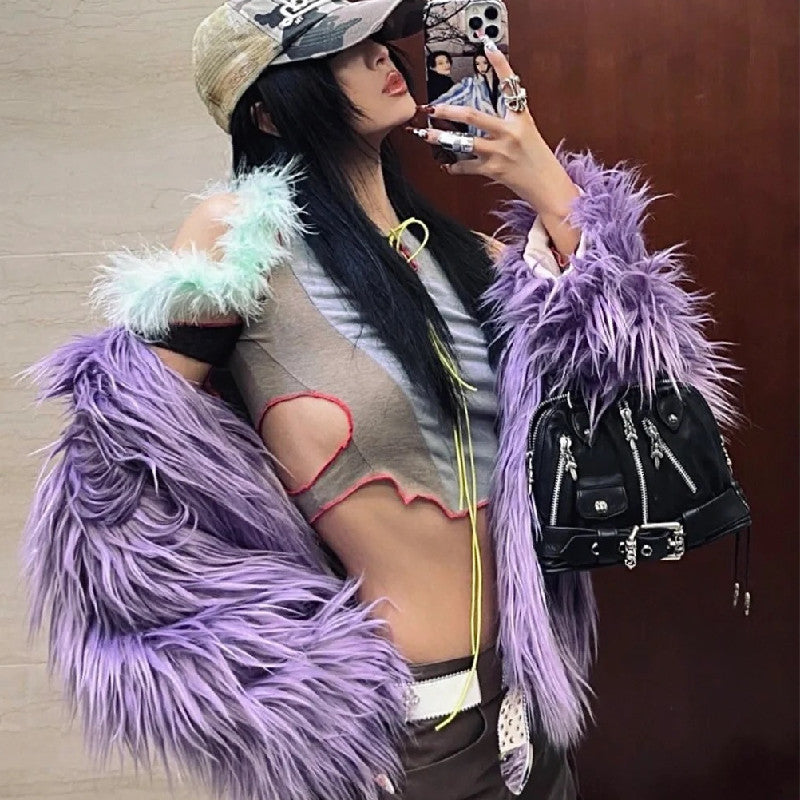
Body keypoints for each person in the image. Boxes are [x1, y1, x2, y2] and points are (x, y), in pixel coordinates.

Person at [19, 1, 740, 799]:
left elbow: (641, 393)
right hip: (397, 741)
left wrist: (542, 178)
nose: (379, 56)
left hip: (530, 715)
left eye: (376, 39)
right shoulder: (241, 241)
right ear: (268, 110)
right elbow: (110, 485)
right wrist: (282, 688)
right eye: (340, 50)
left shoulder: (470, 260)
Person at [431, 47, 506, 136]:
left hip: (505, 132)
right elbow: (447, 99)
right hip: (482, 134)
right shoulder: (470, 84)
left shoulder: (504, 83)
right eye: (477, 64)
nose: (481, 67)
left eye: (485, 62)